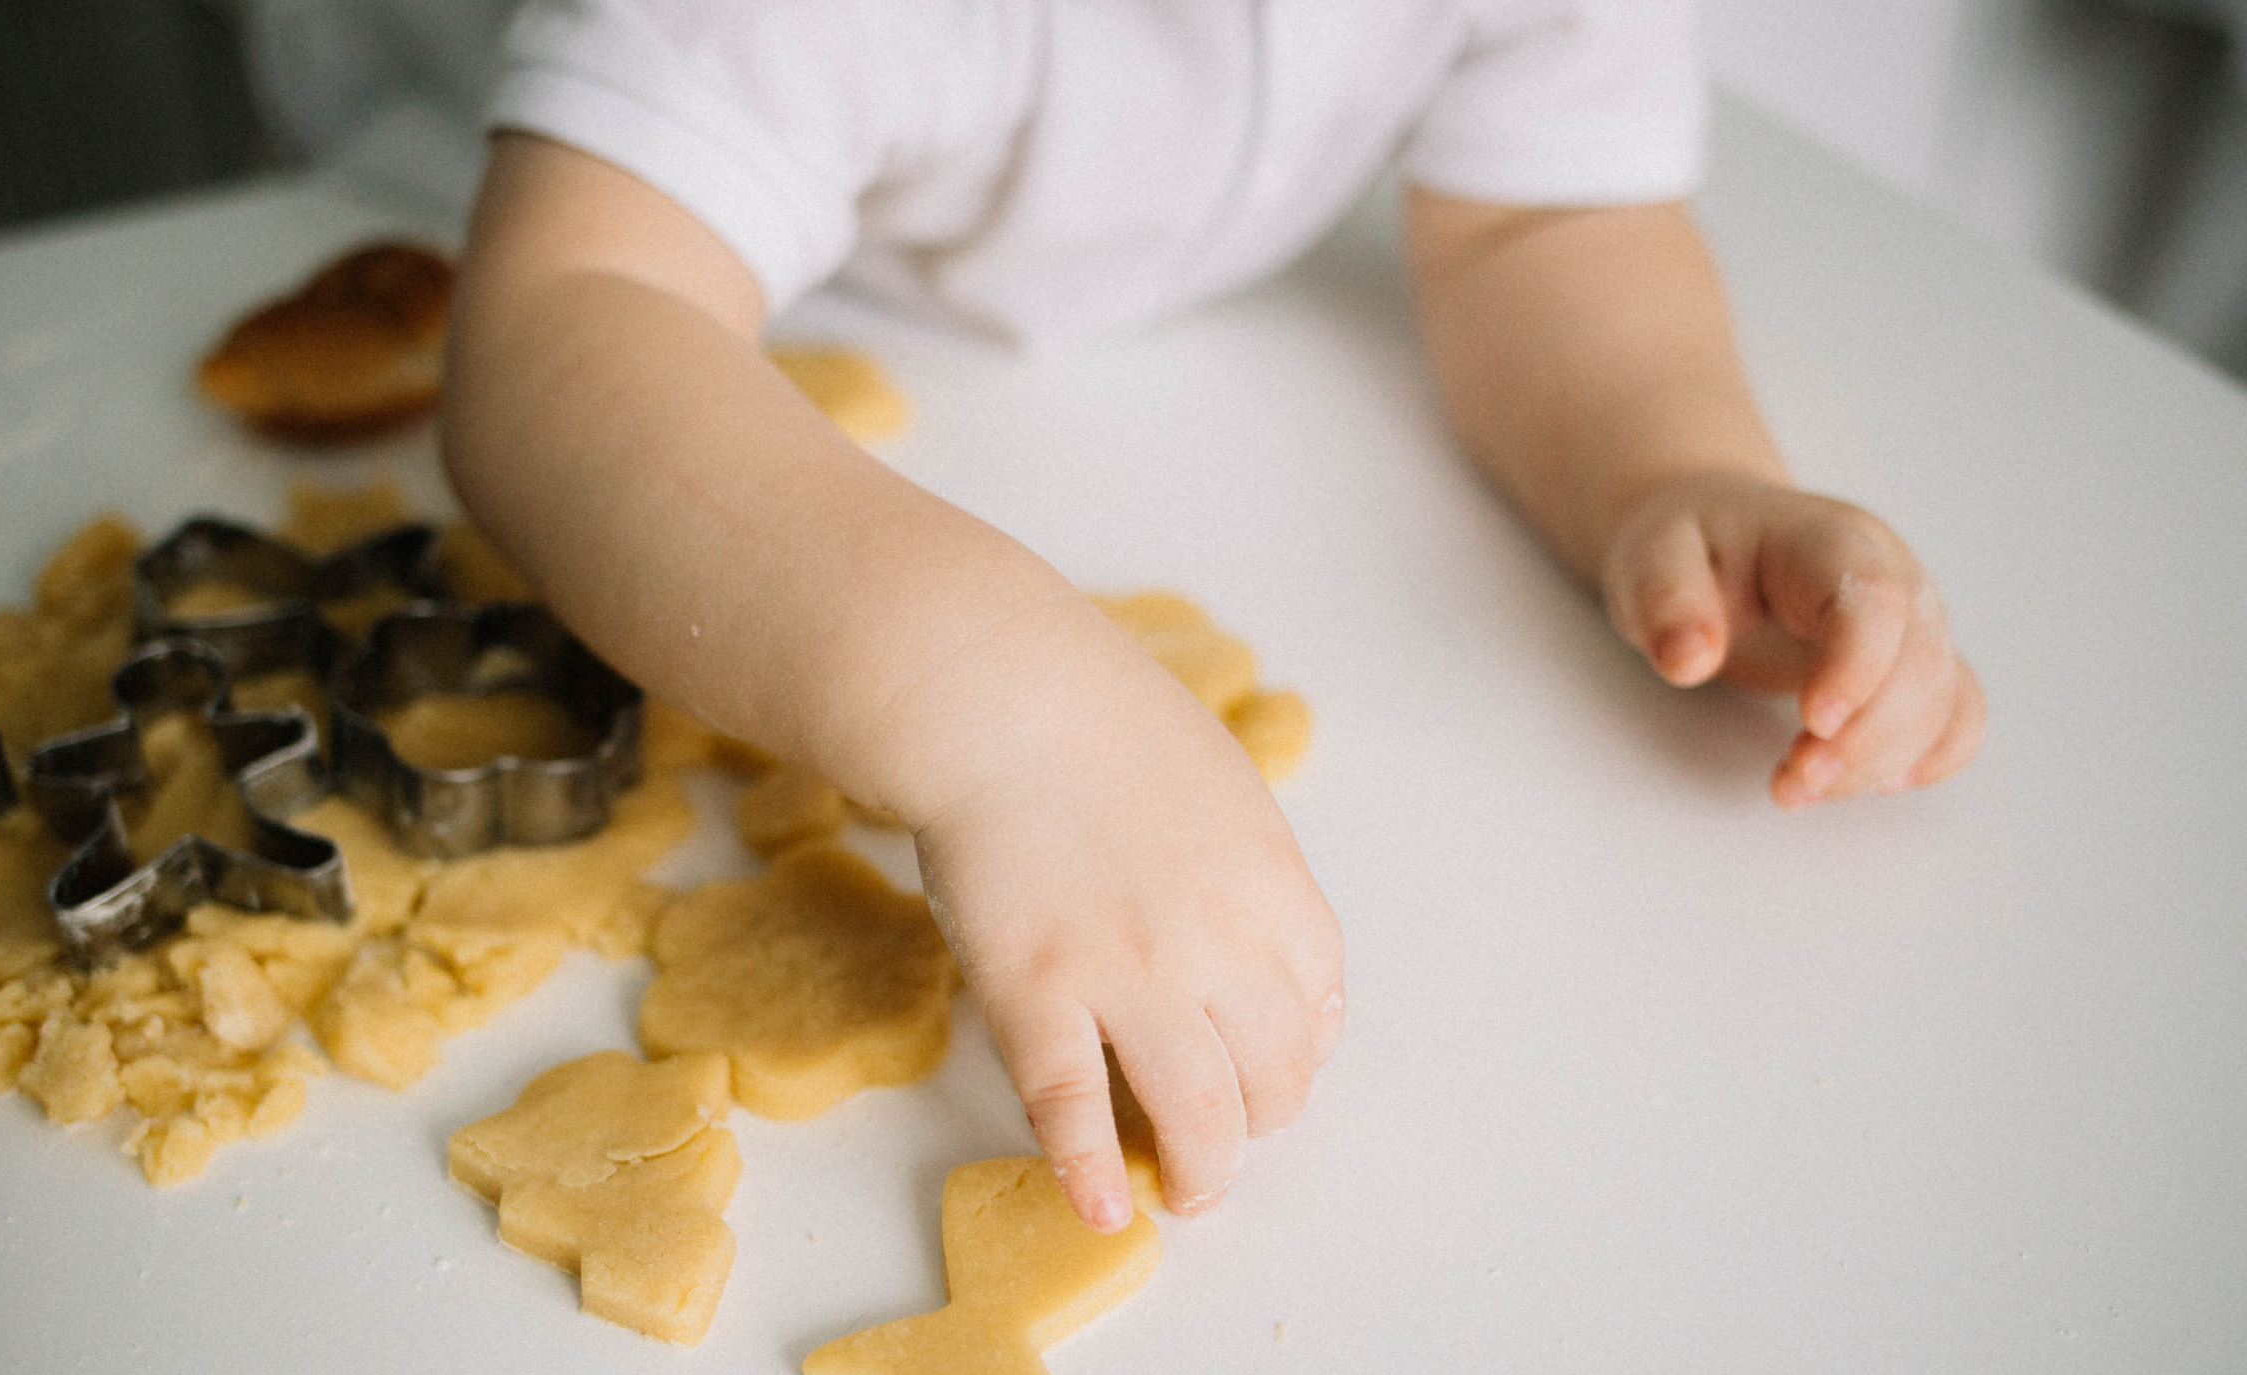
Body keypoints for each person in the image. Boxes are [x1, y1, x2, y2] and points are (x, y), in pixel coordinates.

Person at [438, 0, 1988, 1235]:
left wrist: (1673, 468)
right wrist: (998, 704)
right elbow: (568, 318)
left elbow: (1541, 227)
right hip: (658, 297)